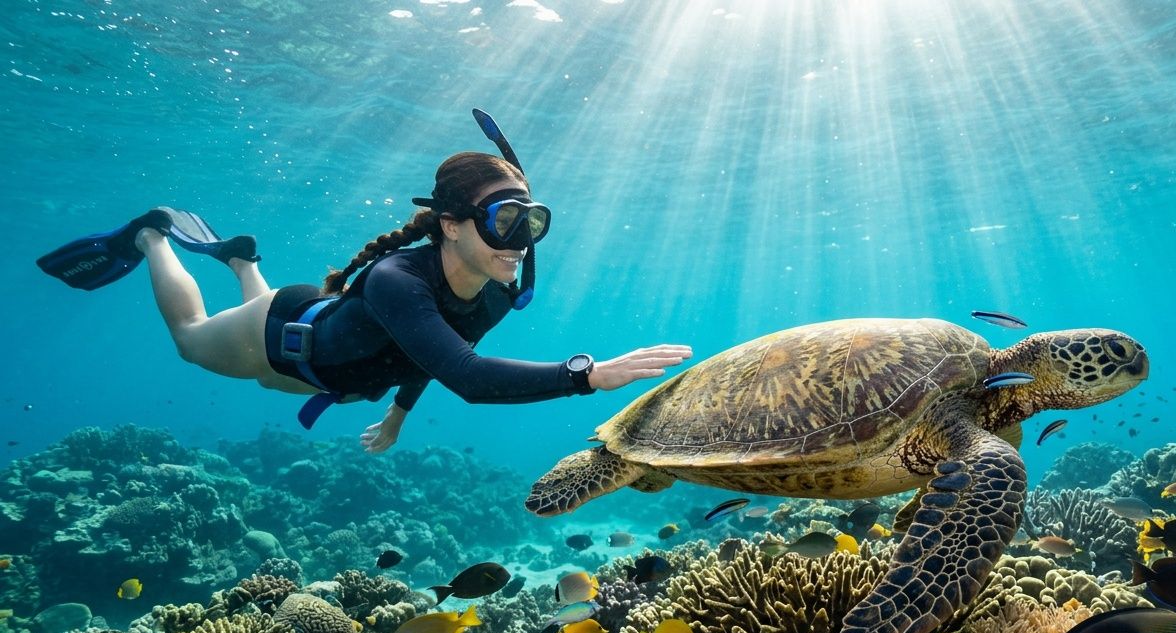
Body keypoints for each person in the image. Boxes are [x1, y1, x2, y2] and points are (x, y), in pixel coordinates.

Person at [36, 110, 691, 453]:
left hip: (326, 361)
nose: (520, 244)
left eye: (533, 224)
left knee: (255, 321)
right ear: (452, 224)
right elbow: (468, 376)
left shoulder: (491, 289)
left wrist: (398, 415)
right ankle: (154, 234)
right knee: (187, 338)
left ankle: (241, 260)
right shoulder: (395, 279)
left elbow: (435, 350)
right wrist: (583, 375)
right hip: (281, 340)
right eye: (506, 221)